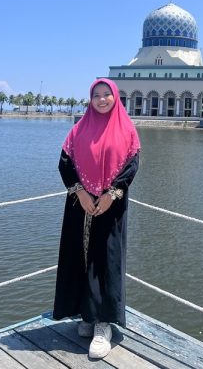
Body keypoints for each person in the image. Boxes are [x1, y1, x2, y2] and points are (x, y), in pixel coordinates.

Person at [53, 78, 140, 359]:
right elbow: (65, 162)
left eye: (107, 95)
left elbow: (131, 165)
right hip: (80, 205)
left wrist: (109, 195)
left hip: (111, 206)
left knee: (106, 259)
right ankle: (86, 315)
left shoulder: (126, 130)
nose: (101, 100)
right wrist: (81, 193)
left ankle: (104, 325)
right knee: (80, 256)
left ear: (116, 97)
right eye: (96, 95)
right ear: (90, 99)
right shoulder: (79, 129)